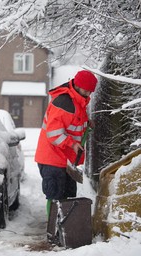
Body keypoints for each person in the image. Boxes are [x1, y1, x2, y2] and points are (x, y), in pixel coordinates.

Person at [35, 70, 98, 207]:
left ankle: (65, 227)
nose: (89, 94)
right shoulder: (64, 103)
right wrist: (73, 144)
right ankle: (54, 227)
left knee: (68, 199)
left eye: (90, 91)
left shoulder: (78, 101)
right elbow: (54, 134)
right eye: (86, 90)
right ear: (78, 86)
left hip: (65, 160)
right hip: (53, 159)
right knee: (56, 198)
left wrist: (87, 124)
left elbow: (74, 123)